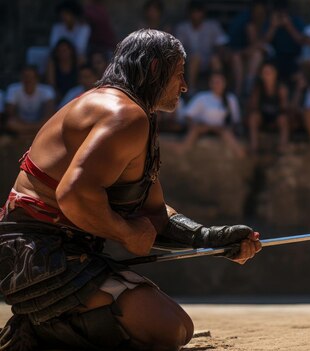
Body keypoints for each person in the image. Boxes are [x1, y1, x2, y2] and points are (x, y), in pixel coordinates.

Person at [0, 29, 261, 350]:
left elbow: (151, 211)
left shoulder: (133, 114)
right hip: (37, 254)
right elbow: (73, 194)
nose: (184, 86)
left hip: (64, 251)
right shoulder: (123, 114)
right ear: (154, 69)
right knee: (167, 330)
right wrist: (125, 233)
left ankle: (51, 321)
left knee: (178, 327)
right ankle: (39, 329)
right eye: (179, 74)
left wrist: (207, 238)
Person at [177, 71, 246, 158]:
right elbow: (188, 115)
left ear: (225, 83)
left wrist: (230, 127)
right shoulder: (202, 97)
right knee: (195, 130)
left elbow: (236, 120)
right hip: (202, 127)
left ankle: (240, 154)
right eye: (214, 82)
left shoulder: (231, 99)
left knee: (226, 133)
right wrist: (193, 125)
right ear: (210, 84)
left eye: (219, 82)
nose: (217, 85)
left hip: (222, 129)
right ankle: (183, 148)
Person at [175, 0, 229, 93]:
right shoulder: (182, 28)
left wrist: (220, 55)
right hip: (189, 61)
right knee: (196, 58)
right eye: (194, 12)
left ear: (203, 13)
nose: (196, 15)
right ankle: (191, 90)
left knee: (215, 59)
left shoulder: (213, 26)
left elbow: (221, 45)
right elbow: (177, 49)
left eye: (199, 12)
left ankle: (219, 89)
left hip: (209, 58)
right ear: (189, 13)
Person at [247, 60, 290, 153]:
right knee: (253, 117)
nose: (267, 75)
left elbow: (284, 109)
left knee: (283, 119)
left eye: (269, 72)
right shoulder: (258, 88)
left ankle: (282, 147)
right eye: (265, 73)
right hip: (263, 117)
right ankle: (254, 147)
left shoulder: (281, 89)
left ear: (275, 74)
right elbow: (253, 107)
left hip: (276, 117)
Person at [5, 65, 56, 136]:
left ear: (37, 78)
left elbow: (49, 113)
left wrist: (35, 125)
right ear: (21, 78)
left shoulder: (47, 90)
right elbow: (10, 113)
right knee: (11, 123)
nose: (28, 80)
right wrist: (28, 125)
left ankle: (26, 136)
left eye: (31, 77)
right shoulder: (13, 89)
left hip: (39, 124)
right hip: (22, 123)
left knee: (49, 122)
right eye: (25, 77)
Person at [45, 38, 79, 104]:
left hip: (75, 94)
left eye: (64, 50)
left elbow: (80, 80)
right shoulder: (52, 64)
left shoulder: (77, 62)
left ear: (71, 51)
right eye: (59, 51)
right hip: (58, 95)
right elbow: (51, 83)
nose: (62, 53)